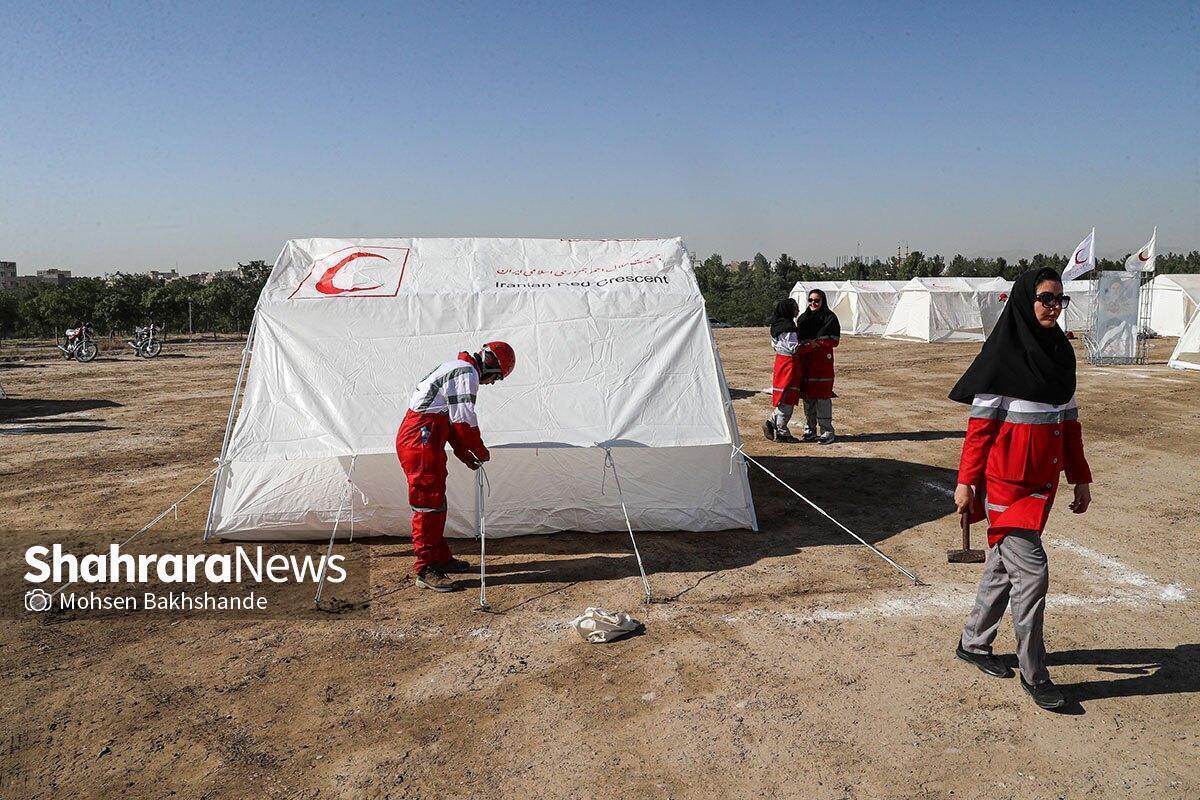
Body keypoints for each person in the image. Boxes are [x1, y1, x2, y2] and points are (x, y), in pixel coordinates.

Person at [949, 267, 1092, 710]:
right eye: (1045, 298)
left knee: (1000, 568)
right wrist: (965, 483)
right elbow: (979, 432)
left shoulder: (1060, 356)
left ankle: (973, 642)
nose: (1053, 306)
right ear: (1025, 300)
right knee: (1031, 574)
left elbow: (1068, 425)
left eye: (1059, 299)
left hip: (1041, 487)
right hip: (1007, 492)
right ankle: (1036, 674)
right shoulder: (1002, 358)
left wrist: (1080, 475)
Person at [396, 341, 516, 592]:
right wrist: (479, 450)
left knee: (436, 502)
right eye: (497, 378)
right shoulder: (466, 373)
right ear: (492, 367)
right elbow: (463, 422)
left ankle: (440, 558)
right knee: (427, 505)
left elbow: (451, 423)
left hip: (426, 435)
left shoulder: (458, 368)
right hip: (421, 438)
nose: (492, 383)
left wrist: (465, 454)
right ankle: (426, 568)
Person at [796, 289, 840, 444]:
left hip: (822, 364)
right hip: (806, 363)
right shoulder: (803, 319)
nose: (813, 303)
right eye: (811, 300)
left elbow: (834, 340)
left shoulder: (830, 318)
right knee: (808, 398)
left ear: (823, 301)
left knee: (823, 398)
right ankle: (810, 430)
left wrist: (816, 343)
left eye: (817, 301)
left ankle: (827, 430)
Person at [763, 297, 802, 443]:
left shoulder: (777, 325)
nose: (797, 310)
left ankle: (773, 423)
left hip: (781, 361)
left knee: (785, 395)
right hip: (789, 363)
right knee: (788, 397)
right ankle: (781, 430)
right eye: (795, 307)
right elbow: (794, 347)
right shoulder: (788, 327)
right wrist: (808, 345)